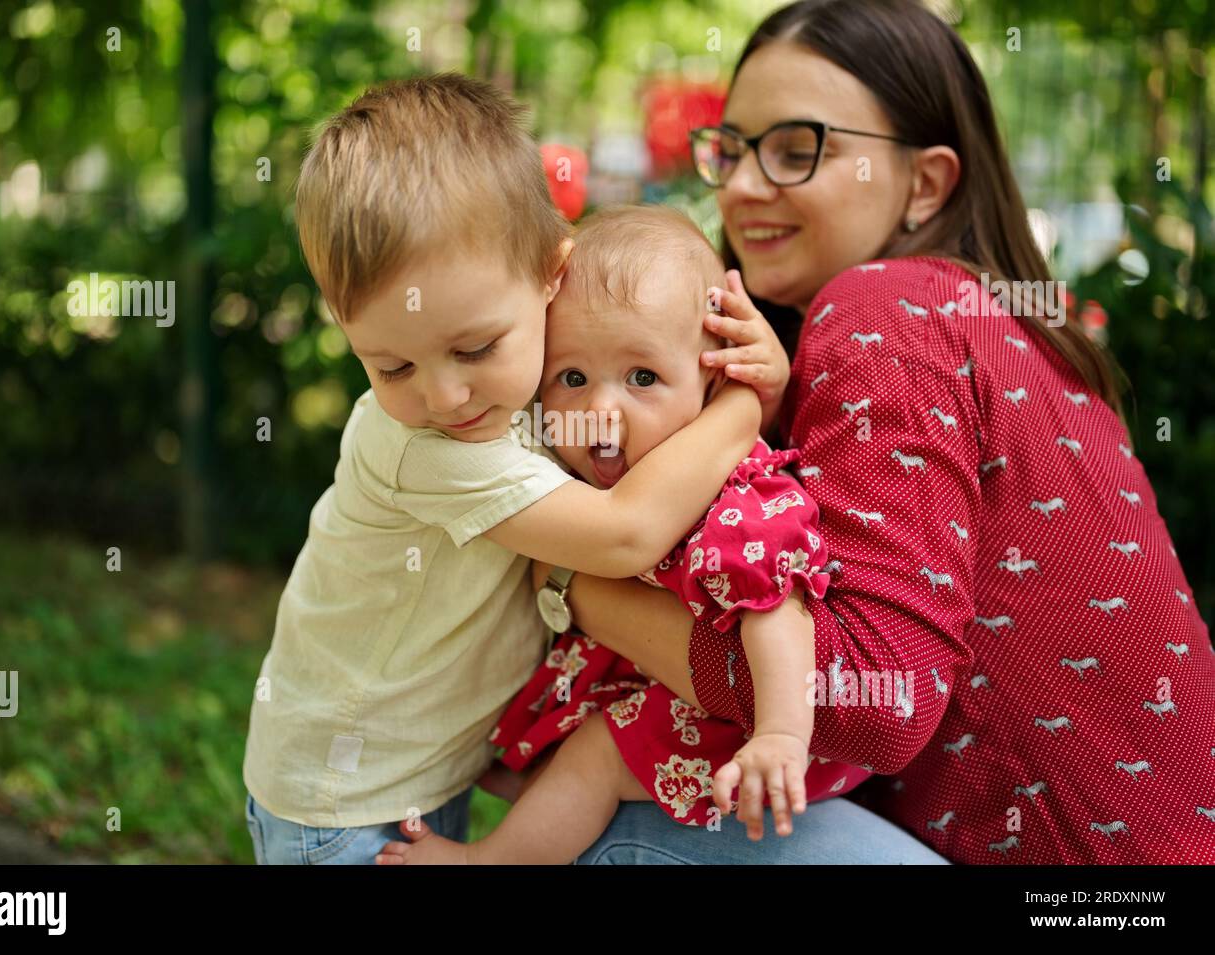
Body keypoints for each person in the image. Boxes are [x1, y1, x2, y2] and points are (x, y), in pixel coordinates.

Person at [555, 0, 1213, 864]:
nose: (745, 187)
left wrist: (574, 573)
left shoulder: (886, 310)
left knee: (633, 806)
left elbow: (875, 695)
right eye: (735, 148)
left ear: (928, 182)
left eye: (799, 150)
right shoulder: (995, 321)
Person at [241, 74, 767, 864]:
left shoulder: (530, 392)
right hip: (344, 803)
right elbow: (624, 533)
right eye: (390, 366)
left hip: (415, 775)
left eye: (476, 348)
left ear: (552, 275)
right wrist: (745, 402)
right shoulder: (424, 446)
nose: (444, 394)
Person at [377, 206, 873, 864]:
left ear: (714, 379)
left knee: (599, 755)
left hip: (762, 735)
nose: (600, 411)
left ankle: (488, 859)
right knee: (582, 737)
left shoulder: (733, 499)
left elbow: (777, 605)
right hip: (669, 684)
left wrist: (780, 734)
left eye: (643, 378)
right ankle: (541, 777)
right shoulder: (565, 462)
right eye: (572, 378)